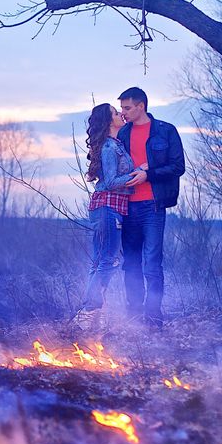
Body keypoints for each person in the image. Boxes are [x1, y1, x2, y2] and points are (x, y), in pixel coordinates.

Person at [116, 87, 185, 329]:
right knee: (131, 263)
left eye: (127, 108)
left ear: (141, 106)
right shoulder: (122, 134)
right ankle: (134, 317)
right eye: (122, 108)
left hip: (153, 206)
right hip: (126, 207)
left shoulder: (166, 131)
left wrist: (149, 174)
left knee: (152, 263)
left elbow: (178, 167)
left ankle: (154, 318)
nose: (123, 113)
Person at [73, 103, 136, 329]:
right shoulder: (110, 147)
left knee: (102, 260)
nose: (120, 114)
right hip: (108, 207)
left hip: (108, 208)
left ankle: (88, 312)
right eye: (115, 112)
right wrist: (136, 175)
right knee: (107, 259)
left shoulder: (114, 144)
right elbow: (109, 182)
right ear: (110, 121)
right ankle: (90, 309)